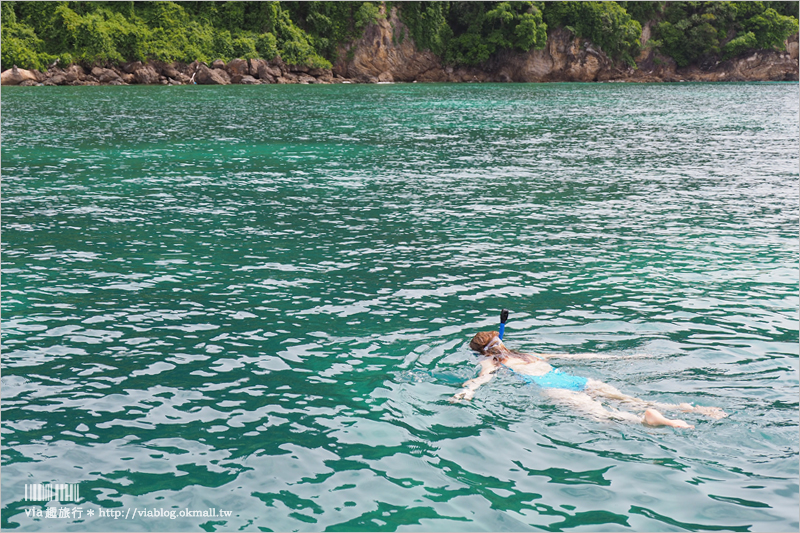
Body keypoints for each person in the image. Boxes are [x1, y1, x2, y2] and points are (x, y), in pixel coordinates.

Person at [451, 330, 727, 428]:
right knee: (633, 400)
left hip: (552, 389)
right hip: (574, 379)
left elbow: (482, 379)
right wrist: (621, 359)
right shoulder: (528, 354)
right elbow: (574, 356)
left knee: (605, 418)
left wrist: (467, 391)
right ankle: (691, 409)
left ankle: (653, 421)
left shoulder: (490, 361)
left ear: (480, 352)